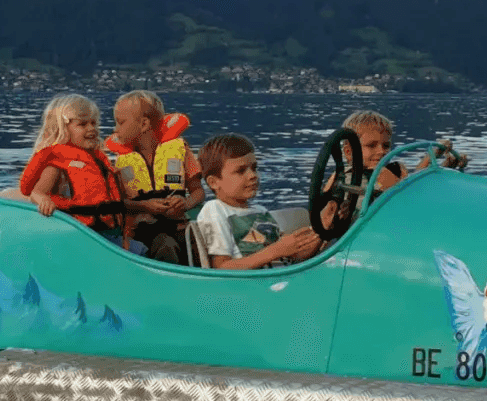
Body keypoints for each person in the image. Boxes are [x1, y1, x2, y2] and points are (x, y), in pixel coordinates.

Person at [18, 93, 135, 248]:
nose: (91, 128)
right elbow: (36, 192)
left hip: (107, 232)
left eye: (93, 123)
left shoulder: (98, 160)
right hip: (80, 235)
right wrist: (43, 200)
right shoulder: (56, 166)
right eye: (82, 124)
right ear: (62, 129)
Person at [194, 133, 322, 270]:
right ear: (213, 182)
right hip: (252, 282)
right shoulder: (215, 210)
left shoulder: (260, 211)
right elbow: (222, 268)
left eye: (254, 168)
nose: (252, 175)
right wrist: (276, 250)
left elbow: (294, 256)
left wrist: (323, 226)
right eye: (240, 171)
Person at [105, 90, 204, 263]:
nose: (115, 130)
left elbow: (198, 192)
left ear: (144, 124)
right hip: (143, 231)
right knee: (165, 245)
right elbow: (120, 204)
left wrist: (185, 203)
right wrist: (145, 206)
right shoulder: (121, 163)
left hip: (179, 226)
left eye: (120, 123)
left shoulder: (179, 150)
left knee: (198, 243)